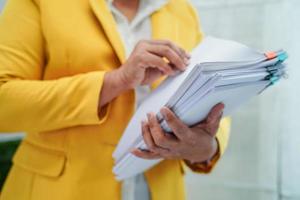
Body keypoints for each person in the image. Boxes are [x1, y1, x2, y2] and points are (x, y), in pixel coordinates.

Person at [0, 0, 230, 199]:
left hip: (161, 188)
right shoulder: (40, 3)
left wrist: (207, 147)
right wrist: (116, 81)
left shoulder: (181, 9)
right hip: (60, 189)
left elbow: (208, 89)